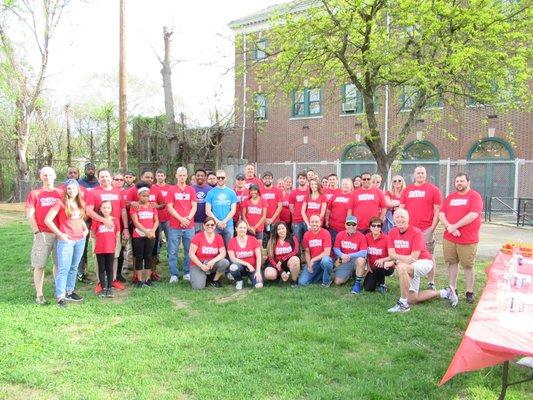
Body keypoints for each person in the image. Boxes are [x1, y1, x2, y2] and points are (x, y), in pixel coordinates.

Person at [377, 209, 457, 313]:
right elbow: (392, 254)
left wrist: (397, 260)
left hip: (424, 262)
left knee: (401, 267)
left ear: (408, 219)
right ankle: (445, 292)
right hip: (409, 265)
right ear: (394, 219)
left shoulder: (416, 232)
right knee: (413, 299)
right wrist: (398, 259)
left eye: (402, 216)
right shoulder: (392, 232)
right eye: (397, 217)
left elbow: (413, 257)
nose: (399, 219)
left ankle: (403, 304)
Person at [439, 173, 483, 303]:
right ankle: (453, 289)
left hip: (467, 238)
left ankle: (469, 291)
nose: (459, 183)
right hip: (450, 237)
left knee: (468, 265)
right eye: (457, 181)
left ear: (468, 182)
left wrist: (455, 226)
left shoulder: (475, 196)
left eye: (462, 181)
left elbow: (473, 214)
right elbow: (441, 213)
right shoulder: (450, 197)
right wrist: (449, 227)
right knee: (452, 263)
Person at [45, 179, 89, 308]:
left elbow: (80, 218)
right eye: (69, 188)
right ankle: (60, 296)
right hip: (66, 241)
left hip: (80, 239)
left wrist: (85, 228)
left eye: (74, 188)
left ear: (78, 189)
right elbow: (48, 220)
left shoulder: (80, 202)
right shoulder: (60, 203)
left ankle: (70, 291)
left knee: (74, 267)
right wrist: (60, 234)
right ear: (66, 190)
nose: (71, 191)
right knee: (64, 268)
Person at [85, 169, 129, 293]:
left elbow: (123, 211)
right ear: (98, 179)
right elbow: (89, 211)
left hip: (115, 230)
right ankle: (100, 282)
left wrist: (125, 228)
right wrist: (104, 221)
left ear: (111, 178)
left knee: (114, 255)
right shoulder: (94, 192)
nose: (104, 178)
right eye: (102, 177)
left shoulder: (118, 192)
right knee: (98, 256)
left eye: (106, 176)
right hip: (99, 231)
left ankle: (113, 279)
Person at [400, 166, 442, 290]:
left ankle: (431, 283)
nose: (420, 175)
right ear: (414, 175)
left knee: (428, 255)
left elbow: (437, 211)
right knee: (411, 255)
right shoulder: (407, 190)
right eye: (418, 173)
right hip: (410, 230)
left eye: (422, 173)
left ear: (426, 174)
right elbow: (401, 209)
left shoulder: (433, 190)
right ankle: (410, 281)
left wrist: (432, 229)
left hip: (426, 229)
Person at [26, 166, 62, 305]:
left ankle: (59, 291)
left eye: (50, 175)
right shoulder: (35, 194)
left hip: (59, 234)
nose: (47, 178)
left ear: (55, 175)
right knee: (39, 265)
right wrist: (36, 232)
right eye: (44, 175)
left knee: (58, 264)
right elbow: (30, 215)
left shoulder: (60, 192)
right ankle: (39, 294)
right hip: (43, 234)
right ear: (41, 177)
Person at [125, 169, 165, 282]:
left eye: (151, 178)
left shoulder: (156, 189)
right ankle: (136, 275)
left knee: (152, 251)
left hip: (152, 225)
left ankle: (152, 272)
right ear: (141, 177)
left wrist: (153, 207)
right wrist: (132, 203)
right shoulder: (134, 189)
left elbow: (163, 204)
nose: (149, 179)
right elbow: (126, 203)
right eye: (147, 177)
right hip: (138, 225)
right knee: (137, 251)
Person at [166, 167, 197, 283]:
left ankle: (187, 272)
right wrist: (180, 219)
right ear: (176, 176)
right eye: (180, 175)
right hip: (175, 226)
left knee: (189, 250)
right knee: (172, 251)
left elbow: (194, 205)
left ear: (187, 176)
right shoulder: (172, 189)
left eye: (184, 175)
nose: (182, 177)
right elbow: (169, 207)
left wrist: (188, 218)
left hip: (189, 226)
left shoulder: (191, 190)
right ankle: (174, 274)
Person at [130, 184, 159, 288]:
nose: (145, 198)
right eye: (143, 196)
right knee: (139, 257)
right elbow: (136, 222)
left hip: (151, 234)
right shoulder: (135, 207)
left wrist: (152, 231)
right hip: (139, 234)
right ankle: (139, 279)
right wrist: (147, 233)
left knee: (148, 256)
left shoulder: (152, 206)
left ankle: (147, 279)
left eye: (147, 196)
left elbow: (156, 221)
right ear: (139, 196)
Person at [188, 217, 230, 289]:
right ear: (204, 226)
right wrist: (201, 265)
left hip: (211, 264)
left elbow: (223, 253)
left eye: (212, 225)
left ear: (215, 226)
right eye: (207, 225)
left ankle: (215, 280)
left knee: (225, 262)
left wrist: (213, 261)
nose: (210, 226)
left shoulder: (218, 237)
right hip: (198, 264)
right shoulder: (197, 237)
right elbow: (191, 254)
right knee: (198, 287)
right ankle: (205, 276)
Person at [91, 201, 120, 298]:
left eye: (108, 208)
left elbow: (117, 233)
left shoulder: (115, 220)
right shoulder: (97, 220)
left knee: (110, 268)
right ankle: (103, 288)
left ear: (111, 209)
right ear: (100, 209)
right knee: (101, 268)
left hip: (110, 249)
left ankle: (110, 288)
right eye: (104, 208)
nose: (106, 210)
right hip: (100, 249)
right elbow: (93, 234)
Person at [332, 216, 367, 291]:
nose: (351, 226)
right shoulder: (340, 234)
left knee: (361, 260)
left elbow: (364, 252)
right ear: (345, 225)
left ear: (356, 225)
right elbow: (336, 248)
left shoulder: (361, 236)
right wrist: (342, 255)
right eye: (349, 224)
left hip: (355, 260)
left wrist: (349, 255)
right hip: (345, 261)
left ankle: (357, 284)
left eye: (353, 224)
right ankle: (352, 274)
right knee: (337, 282)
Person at [298, 214, 334, 287]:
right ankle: (322, 274)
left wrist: (313, 260)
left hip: (323, 259)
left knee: (326, 261)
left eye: (316, 222)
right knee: (302, 282)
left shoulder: (325, 233)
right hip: (314, 262)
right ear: (309, 223)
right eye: (312, 222)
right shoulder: (306, 235)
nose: (314, 224)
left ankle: (326, 281)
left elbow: (327, 252)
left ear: (320, 223)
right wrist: (309, 264)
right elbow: (307, 252)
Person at [227, 220, 263, 290]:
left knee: (259, 285)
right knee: (233, 267)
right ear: (236, 229)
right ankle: (239, 280)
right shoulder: (232, 241)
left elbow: (259, 257)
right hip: (240, 267)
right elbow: (232, 258)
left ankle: (251, 277)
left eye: (244, 228)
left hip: (253, 267)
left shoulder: (253, 239)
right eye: (240, 227)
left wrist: (258, 271)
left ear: (246, 229)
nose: (242, 229)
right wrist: (247, 264)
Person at [205, 169, 237, 247]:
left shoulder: (231, 192)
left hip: (228, 225)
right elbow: (207, 210)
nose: (220, 179)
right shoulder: (210, 193)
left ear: (226, 178)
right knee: (214, 248)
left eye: (222, 177)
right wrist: (218, 222)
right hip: (214, 225)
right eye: (218, 177)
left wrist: (224, 221)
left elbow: (233, 210)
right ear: (216, 178)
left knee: (229, 248)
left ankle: (228, 260)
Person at [263, 221, 300, 287]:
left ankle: (294, 280)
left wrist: (282, 260)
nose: (281, 231)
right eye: (279, 229)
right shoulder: (272, 240)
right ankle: (279, 276)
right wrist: (281, 271)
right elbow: (270, 258)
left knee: (295, 259)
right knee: (269, 275)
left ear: (286, 228)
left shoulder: (293, 237)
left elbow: (296, 251)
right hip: (276, 264)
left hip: (288, 263)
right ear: (276, 231)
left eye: (283, 228)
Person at [364, 216, 394, 293]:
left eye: (378, 226)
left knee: (379, 264)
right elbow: (365, 253)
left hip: (386, 266)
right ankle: (376, 282)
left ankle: (382, 284)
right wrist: (368, 266)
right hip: (372, 267)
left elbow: (393, 255)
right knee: (368, 288)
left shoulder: (387, 239)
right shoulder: (366, 237)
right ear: (370, 227)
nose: (376, 228)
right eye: (373, 225)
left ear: (381, 228)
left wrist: (386, 262)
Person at [325, 178, 354, 246]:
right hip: (332, 227)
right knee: (332, 245)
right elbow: (329, 209)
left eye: (347, 184)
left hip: (344, 228)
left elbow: (351, 212)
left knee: (342, 246)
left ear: (350, 186)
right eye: (343, 184)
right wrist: (326, 220)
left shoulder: (352, 196)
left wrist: (349, 225)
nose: (345, 186)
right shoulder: (335, 195)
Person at [260, 171, 282, 246]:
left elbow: (280, 206)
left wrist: (272, 219)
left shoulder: (278, 191)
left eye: (269, 178)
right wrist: (264, 219)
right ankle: (265, 257)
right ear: (262, 180)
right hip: (262, 221)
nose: (267, 180)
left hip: (274, 220)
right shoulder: (260, 191)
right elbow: (258, 206)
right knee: (264, 241)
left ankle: (273, 256)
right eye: (265, 178)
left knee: (274, 241)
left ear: (272, 179)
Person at [154, 169, 171, 258]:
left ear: (165, 177)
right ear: (156, 176)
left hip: (168, 218)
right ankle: (156, 256)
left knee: (170, 238)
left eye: (162, 175)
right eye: (158, 175)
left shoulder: (170, 188)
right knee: (157, 239)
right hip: (156, 218)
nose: (160, 177)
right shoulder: (153, 188)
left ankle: (170, 255)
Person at [289, 172, 309, 244]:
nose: (302, 180)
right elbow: (291, 207)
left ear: (306, 180)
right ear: (297, 180)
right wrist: (297, 214)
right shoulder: (294, 192)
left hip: (308, 220)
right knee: (297, 241)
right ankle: (298, 255)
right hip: (297, 221)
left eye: (304, 178)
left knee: (308, 241)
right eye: (300, 178)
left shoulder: (310, 191)